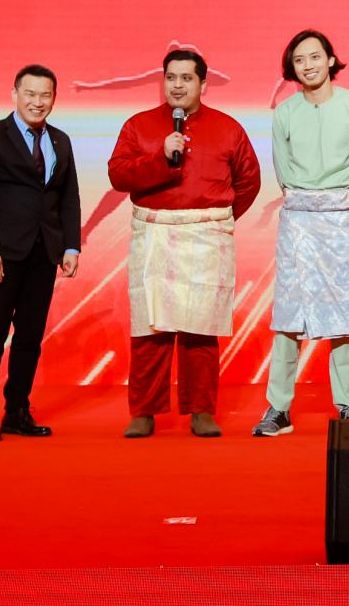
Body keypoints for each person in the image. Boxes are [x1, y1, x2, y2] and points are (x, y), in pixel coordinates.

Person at [107, 48, 260, 438]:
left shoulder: (228, 128)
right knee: (150, 328)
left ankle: (202, 410)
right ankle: (144, 411)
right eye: (171, 78)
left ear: (203, 84)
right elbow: (119, 175)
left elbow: (248, 180)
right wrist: (160, 157)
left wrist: (216, 218)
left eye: (187, 78)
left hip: (206, 237)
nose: (177, 85)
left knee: (200, 329)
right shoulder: (139, 126)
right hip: (155, 233)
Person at [253, 30, 349, 437]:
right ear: (292, 67)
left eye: (315, 56)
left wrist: (340, 208)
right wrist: (306, 203)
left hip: (340, 218)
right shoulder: (285, 113)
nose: (308, 65)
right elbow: (282, 169)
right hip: (298, 219)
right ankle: (278, 407)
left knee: (342, 315)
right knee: (289, 313)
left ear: (330, 59)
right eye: (300, 60)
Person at [0, 65, 81, 441]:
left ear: (54, 99)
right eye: (30, 94)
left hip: (44, 252)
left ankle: (17, 410)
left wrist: (71, 245)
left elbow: (69, 197)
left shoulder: (60, 140)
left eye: (45, 95)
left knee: (30, 336)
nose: (37, 102)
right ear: (15, 94)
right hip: (2, 254)